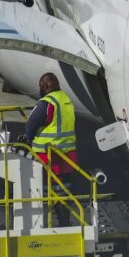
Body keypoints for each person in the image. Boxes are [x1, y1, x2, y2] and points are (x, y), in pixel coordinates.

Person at [25, 72, 78, 226]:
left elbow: (31, 124)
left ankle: (41, 225)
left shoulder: (46, 103)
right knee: (63, 192)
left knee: (42, 192)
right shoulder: (66, 100)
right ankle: (64, 223)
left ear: (45, 86)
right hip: (67, 156)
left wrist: (27, 139)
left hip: (48, 157)